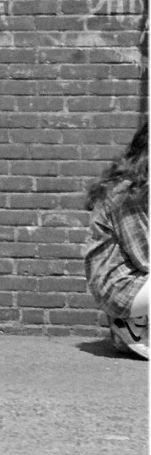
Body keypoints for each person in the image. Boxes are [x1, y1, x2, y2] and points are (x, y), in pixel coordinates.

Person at [83, 121, 148, 359]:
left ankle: (134, 326)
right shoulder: (127, 195)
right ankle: (131, 324)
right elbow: (145, 257)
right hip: (119, 286)